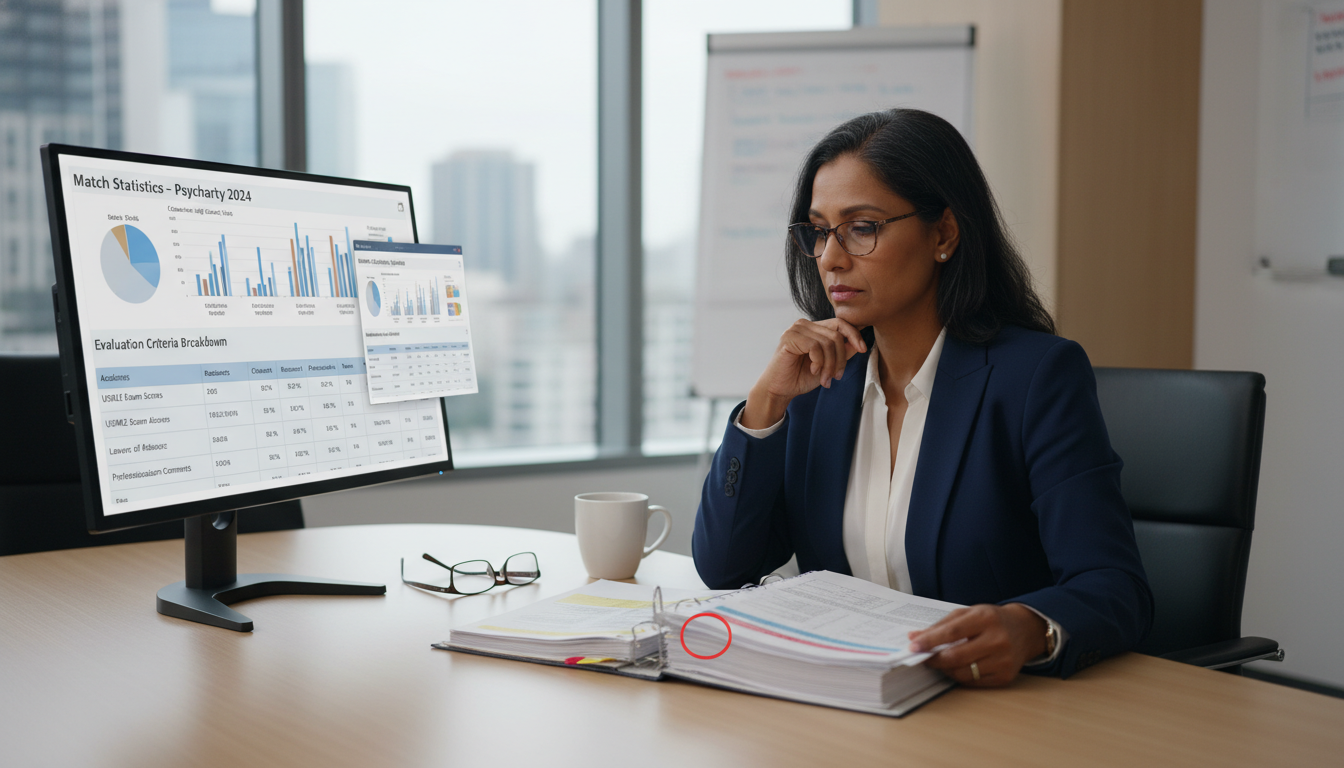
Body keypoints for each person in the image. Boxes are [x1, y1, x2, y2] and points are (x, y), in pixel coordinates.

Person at [691, 108, 1152, 686]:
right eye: (818, 230)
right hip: (851, 700)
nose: (831, 257)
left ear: (943, 235)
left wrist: (1030, 626)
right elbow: (724, 567)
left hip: (989, 709)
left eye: (862, 227)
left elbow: (1115, 586)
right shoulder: (820, 385)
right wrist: (766, 405)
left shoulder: (1036, 378)